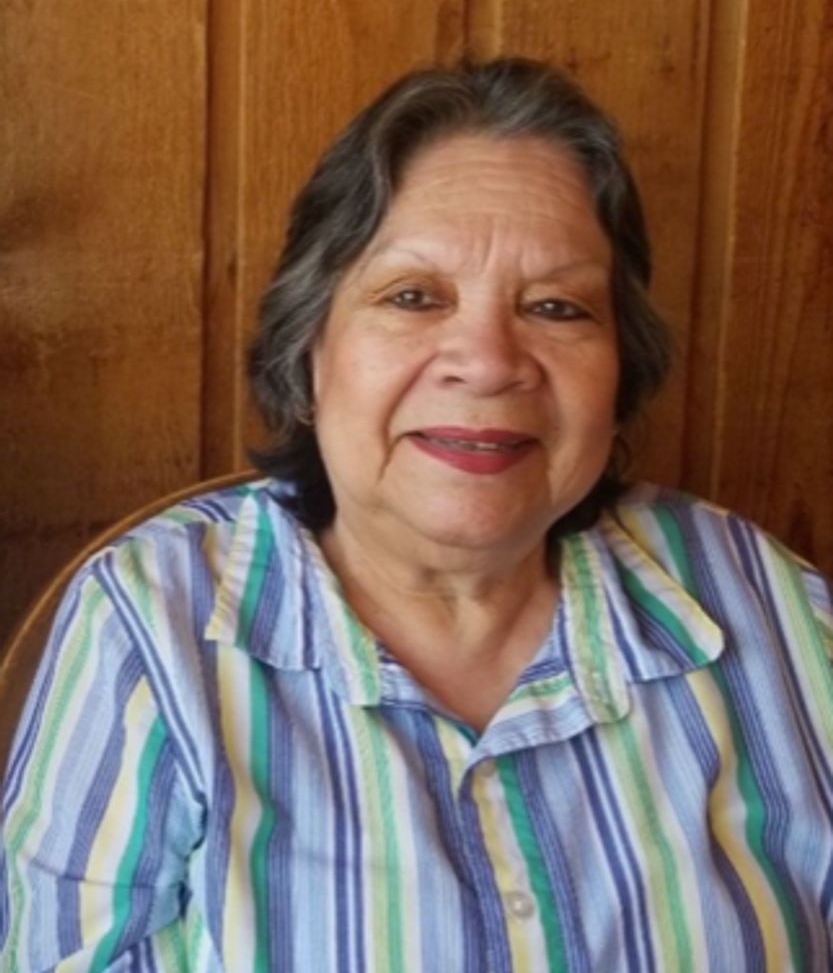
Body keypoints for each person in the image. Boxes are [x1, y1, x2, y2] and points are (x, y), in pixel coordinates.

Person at [2, 57, 832, 973]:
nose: (487, 361)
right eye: (412, 297)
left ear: (618, 374)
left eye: (555, 307)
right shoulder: (152, 619)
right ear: (308, 353)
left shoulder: (762, 601)